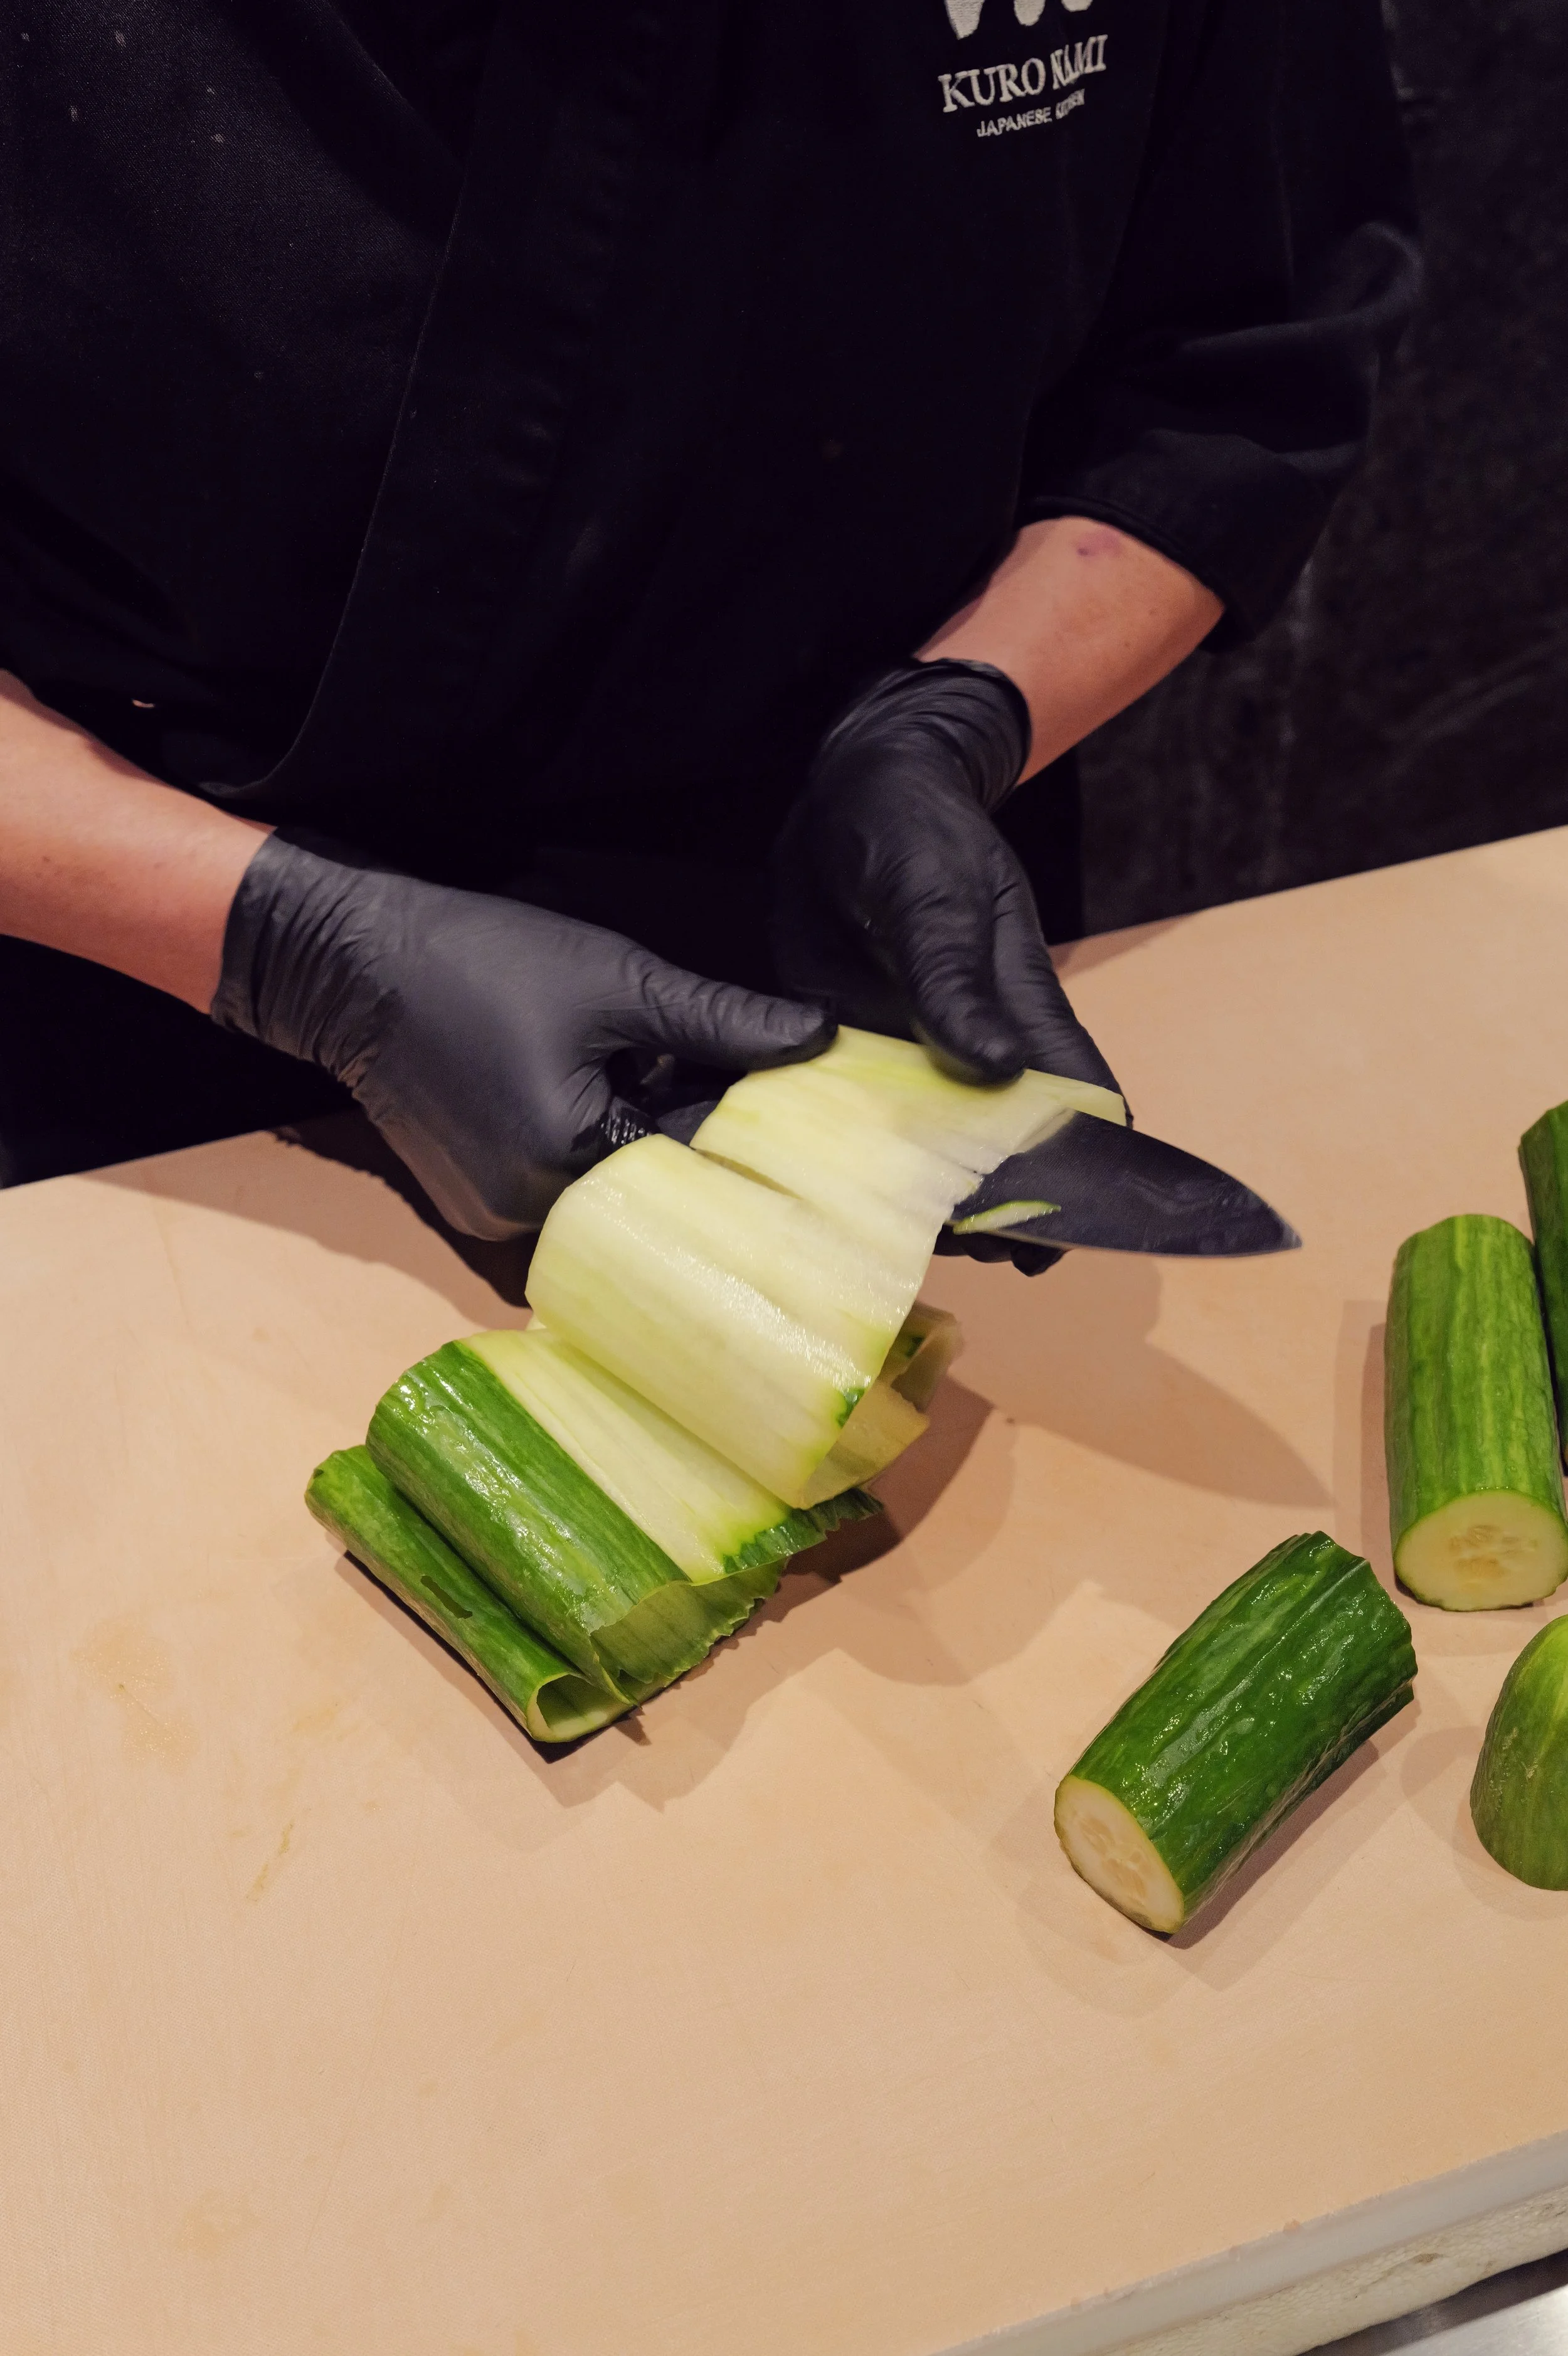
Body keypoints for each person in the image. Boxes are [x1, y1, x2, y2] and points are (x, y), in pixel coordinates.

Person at [0, 0, 1417, 1254]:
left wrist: (961, 714)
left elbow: (1232, 365)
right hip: (138, 975)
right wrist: (293, 947)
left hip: (863, 936)